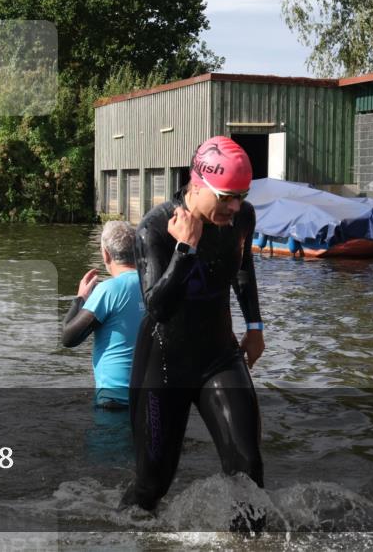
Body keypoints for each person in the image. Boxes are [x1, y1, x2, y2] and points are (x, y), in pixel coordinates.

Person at [119, 136, 265, 527]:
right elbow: (158, 308)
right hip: (163, 364)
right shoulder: (155, 228)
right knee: (153, 486)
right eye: (226, 197)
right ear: (196, 184)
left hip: (219, 354)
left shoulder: (242, 218)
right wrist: (185, 250)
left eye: (241, 196)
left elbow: (242, 267)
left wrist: (255, 326)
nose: (234, 208)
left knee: (248, 468)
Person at [61, 221, 144, 409]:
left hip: (114, 400)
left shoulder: (108, 290)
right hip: (151, 399)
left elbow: (68, 338)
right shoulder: (154, 283)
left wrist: (80, 298)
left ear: (105, 253)